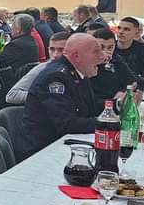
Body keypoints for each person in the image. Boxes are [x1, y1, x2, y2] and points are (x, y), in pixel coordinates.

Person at [15, 32, 101, 160]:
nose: (102, 56)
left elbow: (90, 107)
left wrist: (116, 105)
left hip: (62, 144)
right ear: (77, 56)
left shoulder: (78, 72)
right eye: (96, 51)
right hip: (41, 152)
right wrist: (108, 123)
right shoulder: (55, 77)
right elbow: (66, 124)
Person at [6, 32, 69, 105]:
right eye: (52, 49)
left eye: (61, 50)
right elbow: (12, 95)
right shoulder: (42, 69)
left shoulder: (77, 70)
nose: (55, 55)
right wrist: (44, 96)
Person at [89, 28, 138, 102]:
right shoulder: (87, 64)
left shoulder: (116, 59)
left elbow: (132, 81)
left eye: (110, 47)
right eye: (101, 47)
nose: (106, 51)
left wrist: (123, 92)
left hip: (116, 102)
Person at [114, 17, 144, 88]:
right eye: (119, 28)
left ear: (136, 33)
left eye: (126, 29)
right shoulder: (110, 48)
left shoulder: (143, 49)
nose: (121, 32)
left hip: (139, 88)